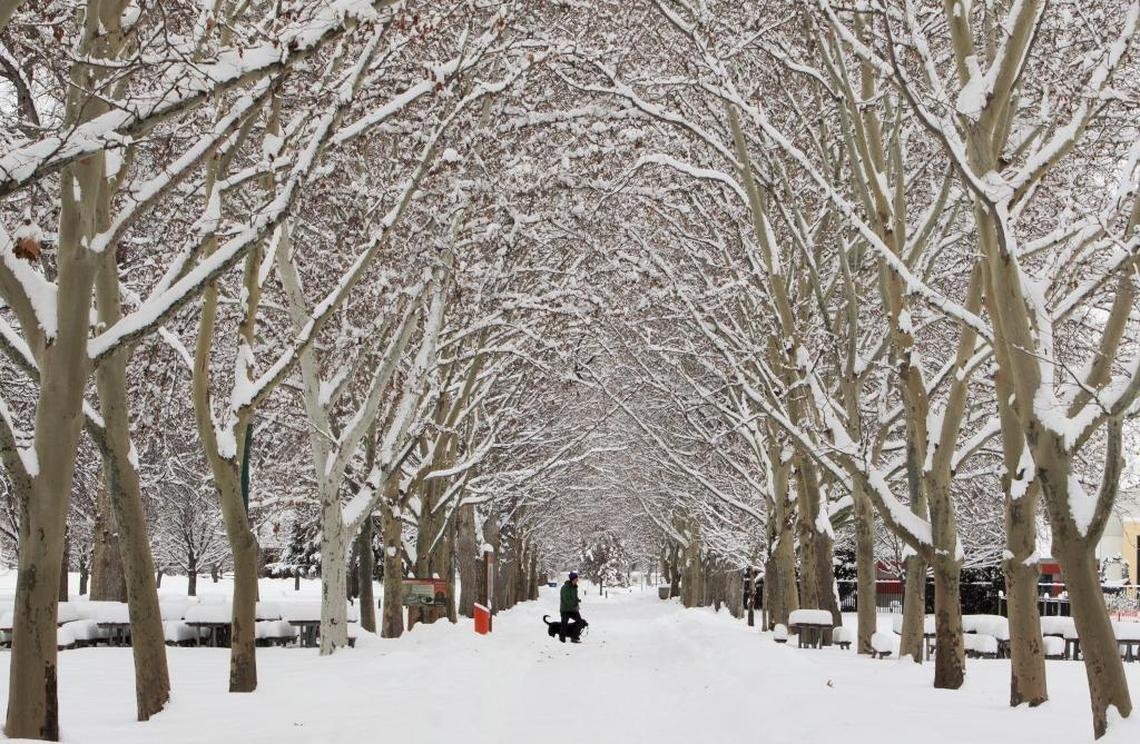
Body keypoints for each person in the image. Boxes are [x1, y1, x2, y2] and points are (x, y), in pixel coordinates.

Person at [559, 571, 585, 643]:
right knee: (564, 623)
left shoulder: (575, 587)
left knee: (579, 622)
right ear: (573, 579)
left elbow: (574, 597)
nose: (577, 580)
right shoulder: (565, 588)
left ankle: (574, 637)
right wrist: (574, 603)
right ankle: (562, 637)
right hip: (565, 609)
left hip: (573, 609)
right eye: (576, 578)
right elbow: (566, 599)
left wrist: (577, 600)